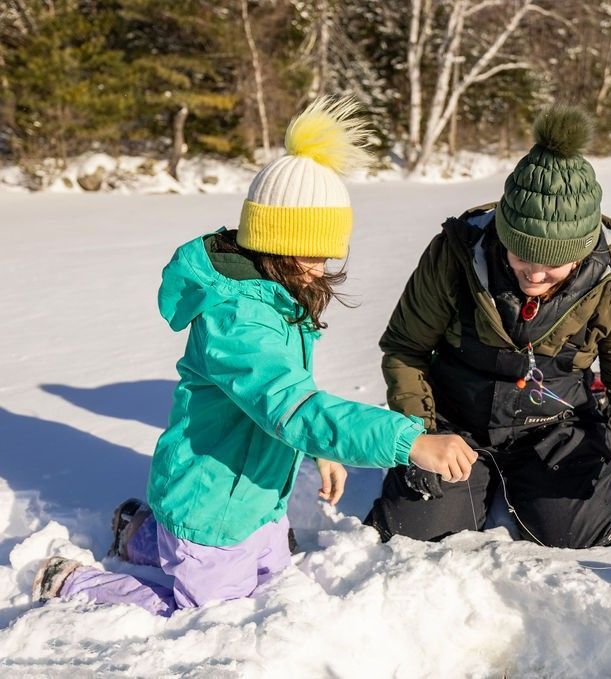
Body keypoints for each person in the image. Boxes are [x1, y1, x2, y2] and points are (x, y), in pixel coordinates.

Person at [31, 98, 477, 615]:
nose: (322, 266)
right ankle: (73, 583)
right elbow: (293, 408)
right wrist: (410, 441)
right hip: (212, 506)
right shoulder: (239, 320)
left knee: (267, 579)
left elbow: (290, 393)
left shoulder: (275, 293)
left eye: (328, 251)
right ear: (276, 241)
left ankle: (138, 532)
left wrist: (321, 449)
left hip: (255, 499)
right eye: (312, 251)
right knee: (207, 615)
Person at [366, 105, 611, 550]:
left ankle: (608, 444)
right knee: (416, 533)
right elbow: (405, 350)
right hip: (455, 421)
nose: (535, 275)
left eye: (554, 265)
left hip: (554, 423)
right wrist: (420, 435)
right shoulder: (454, 256)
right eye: (521, 257)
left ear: (583, 253)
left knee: (580, 532)